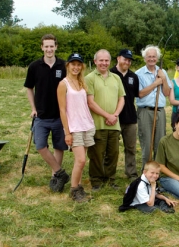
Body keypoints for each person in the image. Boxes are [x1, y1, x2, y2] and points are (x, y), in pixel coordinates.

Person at [24, 34, 70, 192]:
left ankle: (55, 178)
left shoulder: (64, 66)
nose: (49, 49)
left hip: (59, 115)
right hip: (41, 115)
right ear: (42, 47)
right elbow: (29, 87)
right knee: (41, 146)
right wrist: (33, 108)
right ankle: (60, 172)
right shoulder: (34, 66)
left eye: (52, 46)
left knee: (59, 146)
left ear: (56, 47)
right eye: (46, 46)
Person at [85, 49, 125, 191]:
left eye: (106, 60)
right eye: (101, 60)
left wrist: (115, 115)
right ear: (95, 61)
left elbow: (122, 98)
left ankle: (110, 179)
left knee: (113, 154)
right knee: (96, 154)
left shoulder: (116, 78)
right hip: (97, 124)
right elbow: (90, 102)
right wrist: (107, 116)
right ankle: (96, 181)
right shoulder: (89, 78)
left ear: (110, 62)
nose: (104, 63)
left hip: (114, 124)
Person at [57, 53, 94, 202]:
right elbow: (62, 109)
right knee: (81, 160)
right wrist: (67, 132)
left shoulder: (82, 83)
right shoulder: (63, 84)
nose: (76, 67)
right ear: (68, 65)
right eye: (73, 64)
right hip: (74, 127)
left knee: (81, 160)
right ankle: (74, 191)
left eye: (79, 65)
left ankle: (78, 186)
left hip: (86, 124)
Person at [136, 45, 172, 169]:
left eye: (154, 56)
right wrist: (155, 83)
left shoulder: (162, 72)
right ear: (145, 58)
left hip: (160, 111)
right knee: (147, 143)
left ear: (157, 58)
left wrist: (163, 79)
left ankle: (157, 171)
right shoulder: (139, 74)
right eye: (149, 57)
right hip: (145, 111)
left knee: (159, 143)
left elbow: (167, 93)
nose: (151, 59)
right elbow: (140, 94)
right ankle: (145, 172)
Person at [110, 49, 139, 181]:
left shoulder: (133, 77)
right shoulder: (110, 73)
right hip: (113, 118)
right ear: (118, 58)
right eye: (124, 59)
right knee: (112, 149)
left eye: (129, 60)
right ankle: (109, 174)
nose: (127, 62)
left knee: (131, 148)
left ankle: (131, 173)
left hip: (130, 117)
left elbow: (137, 95)